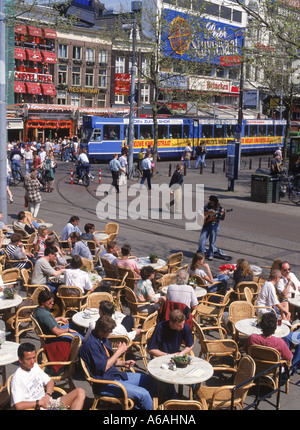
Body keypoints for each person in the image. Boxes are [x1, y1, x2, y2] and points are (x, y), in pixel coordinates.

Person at [79, 315, 156, 410]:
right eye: (109, 330)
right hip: (105, 384)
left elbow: (107, 361)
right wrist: (119, 352)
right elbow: (104, 367)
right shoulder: (92, 345)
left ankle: (141, 406)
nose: (111, 332)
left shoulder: (101, 338)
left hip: (114, 375)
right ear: (102, 330)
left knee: (149, 380)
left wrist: (123, 363)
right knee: (144, 394)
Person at [10, 342, 85, 410]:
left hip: (49, 404)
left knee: (80, 392)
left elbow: (49, 381)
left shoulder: (34, 367)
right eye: (28, 359)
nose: (32, 361)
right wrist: (39, 403)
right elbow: (18, 405)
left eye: (34, 357)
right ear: (20, 360)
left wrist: (48, 395)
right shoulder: (17, 378)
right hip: (37, 407)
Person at [197, 195, 226, 261]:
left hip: (214, 225)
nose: (210, 203)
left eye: (212, 202)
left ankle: (211, 254)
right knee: (202, 240)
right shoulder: (206, 206)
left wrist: (223, 215)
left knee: (212, 241)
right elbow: (199, 212)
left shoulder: (220, 209)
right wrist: (203, 216)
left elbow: (222, 218)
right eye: (210, 201)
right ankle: (201, 254)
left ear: (215, 202)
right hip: (206, 225)